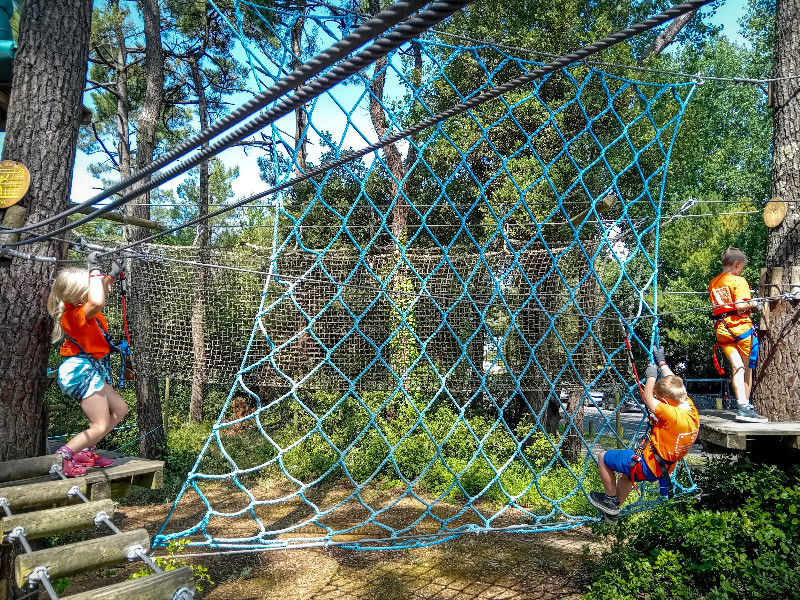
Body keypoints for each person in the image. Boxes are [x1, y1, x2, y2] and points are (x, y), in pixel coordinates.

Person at [589, 347, 700, 522]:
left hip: (647, 465)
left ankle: (610, 500)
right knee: (625, 475)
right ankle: (613, 511)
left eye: (659, 399)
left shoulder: (671, 415)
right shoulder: (690, 409)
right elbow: (676, 385)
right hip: (662, 469)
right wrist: (662, 363)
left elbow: (648, 398)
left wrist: (651, 377)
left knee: (603, 458)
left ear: (664, 402)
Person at [46, 252, 128, 477]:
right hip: (80, 370)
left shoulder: (80, 308)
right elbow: (98, 299)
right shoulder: (77, 315)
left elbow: (99, 291)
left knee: (120, 409)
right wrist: (93, 267)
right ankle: (64, 456)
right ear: (80, 296)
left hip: (89, 367)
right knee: (99, 425)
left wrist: (111, 275)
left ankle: (85, 451)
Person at [708, 246, 766, 423]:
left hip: (723, 331)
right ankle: (745, 407)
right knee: (746, 369)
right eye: (742, 268)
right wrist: (755, 304)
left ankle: (741, 404)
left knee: (736, 367)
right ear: (737, 264)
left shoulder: (714, 282)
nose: (742, 271)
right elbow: (741, 305)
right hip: (741, 330)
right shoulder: (738, 281)